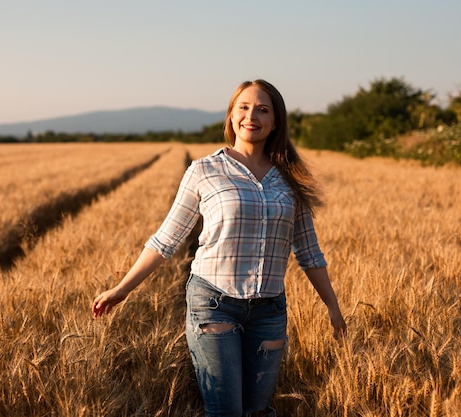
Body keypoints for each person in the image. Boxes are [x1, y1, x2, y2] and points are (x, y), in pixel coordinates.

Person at [92, 79, 346, 417]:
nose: (251, 115)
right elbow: (167, 238)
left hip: (269, 311)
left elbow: (309, 252)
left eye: (262, 109)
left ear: (275, 121)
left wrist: (333, 307)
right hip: (214, 304)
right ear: (231, 117)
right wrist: (122, 289)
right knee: (225, 410)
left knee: (257, 411)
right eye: (243, 107)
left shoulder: (289, 179)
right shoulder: (205, 170)